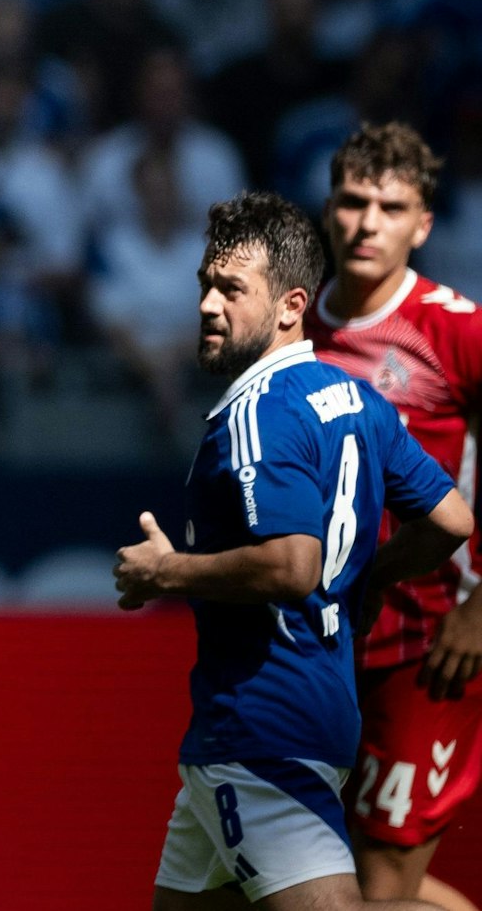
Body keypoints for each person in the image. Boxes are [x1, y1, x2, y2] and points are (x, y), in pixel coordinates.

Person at [114, 191, 472, 910]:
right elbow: (452, 521)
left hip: (261, 729)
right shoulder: (358, 398)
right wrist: (368, 577)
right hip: (294, 722)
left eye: (231, 290)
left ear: (290, 306)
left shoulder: (257, 414)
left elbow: (291, 564)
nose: (208, 305)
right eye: (205, 285)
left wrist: (165, 572)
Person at [307, 124, 482, 911]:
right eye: (353, 201)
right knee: (323, 880)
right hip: (322, 645)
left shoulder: (459, 331)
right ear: (328, 210)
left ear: (424, 224)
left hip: (429, 643)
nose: (367, 223)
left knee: (376, 890)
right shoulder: (292, 331)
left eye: (391, 207)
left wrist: (480, 610)